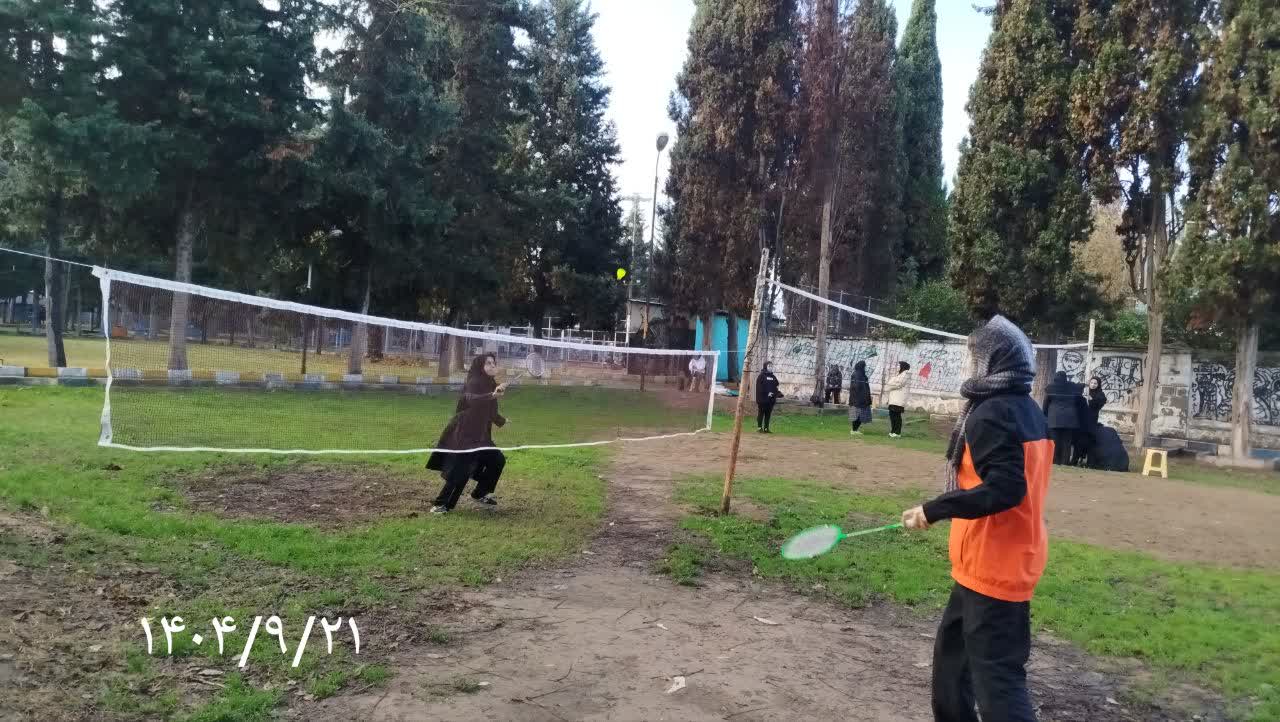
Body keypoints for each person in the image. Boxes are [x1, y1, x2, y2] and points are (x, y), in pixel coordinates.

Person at [900, 315, 1052, 722]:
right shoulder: (1027, 409)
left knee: (999, 685)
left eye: (975, 357)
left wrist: (935, 509)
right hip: (982, 565)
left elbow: (1006, 489)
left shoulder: (991, 415)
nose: (969, 365)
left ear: (994, 360)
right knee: (951, 670)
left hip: (996, 566)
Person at [426, 353, 509, 514]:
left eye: (493, 363)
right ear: (480, 366)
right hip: (466, 432)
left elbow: (490, 410)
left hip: (481, 434)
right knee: (462, 468)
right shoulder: (474, 381)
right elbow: (471, 399)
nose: (493, 365)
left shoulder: (491, 383)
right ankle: (441, 504)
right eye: (488, 363)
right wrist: (492, 395)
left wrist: (502, 420)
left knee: (497, 460)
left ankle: (480, 493)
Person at [1042, 370, 1081, 465]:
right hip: (1070, 418)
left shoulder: (1051, 388)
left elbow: (1046, 404)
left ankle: (1055, 461)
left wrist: (1045, 415)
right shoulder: (1072, 387)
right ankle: (1065, 461)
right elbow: (1078, 398)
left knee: (1055, 441)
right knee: (1066, 442)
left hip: (1054, 418)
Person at [1071, 377, 1107, 466]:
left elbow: (1100, 403)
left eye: (1095, 383)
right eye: (1092, 383)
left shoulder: (1100, 394)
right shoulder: (1084, 392)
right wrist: (1084, 388)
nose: (1093, 385)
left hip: (1091, 421)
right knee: (1078, 441)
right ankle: (1075, 460)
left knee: (1088, 441)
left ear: (1098, 385)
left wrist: (1091, 400)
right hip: (1081, 420)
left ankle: (1089, 462)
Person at [885, 361, 912, 438]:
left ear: (902, 367)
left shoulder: (906, 374)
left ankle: (897, 433)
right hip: (893, 399)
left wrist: (890, 385)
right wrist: (891, 384)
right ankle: (893, 431)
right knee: (892, 415)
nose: (897, 367)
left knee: (896, 416)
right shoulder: (899, 375)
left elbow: (899, 384)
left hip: (899, 399)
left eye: (899, 365)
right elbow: (889, 383)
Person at [848, 360, 873, 436]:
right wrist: (863, 396)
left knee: (860, 415)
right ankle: (854, 430)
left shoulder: (861, 374)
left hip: (861, 398)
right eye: (864, 366)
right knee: (857, 415)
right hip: (858, 398)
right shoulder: (857, 374)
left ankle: (855, 430)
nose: (865, 367)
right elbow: (857, 386)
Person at [755, 362, 781, 433]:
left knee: (768, 414)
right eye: (769, 366)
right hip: (762, 399)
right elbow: (759, 388)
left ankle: (766, 428)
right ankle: (759, 428)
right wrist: (767, 393)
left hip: (770, 400)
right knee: (761, 413)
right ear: (765, 367)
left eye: (771, 366)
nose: (770, 367)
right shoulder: (761, 376)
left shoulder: (773, 376)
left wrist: (776, 393)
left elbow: (776, 385)